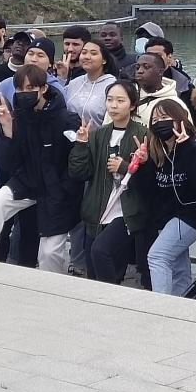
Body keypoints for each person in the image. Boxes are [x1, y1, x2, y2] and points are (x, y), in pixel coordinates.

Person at [0, 65, 81, 270]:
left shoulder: (66, 119)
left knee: (49, 254)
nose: (24, 94)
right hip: (26, 182)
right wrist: (7, 129)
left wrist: (66, 189)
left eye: (30, 88)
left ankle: (53, 290)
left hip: (56, 191)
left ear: (43, 89)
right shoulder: (18, 118)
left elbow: (77, 162)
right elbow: (7, 163)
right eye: (20, 89)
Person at [68, 81, 150, 284]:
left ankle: (109, 299)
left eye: (120, 101)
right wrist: (80, 145)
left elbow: (149, 180)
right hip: (97, 209)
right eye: (110, 100)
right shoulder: (98, 134)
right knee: (95, 270)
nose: (113, 105)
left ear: (132, 105)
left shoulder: (142, 134)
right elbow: (79, 173)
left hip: (127, 211)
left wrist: (126, 167)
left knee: (101, 252)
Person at [139, 100, 196, 295]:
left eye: (165, 118)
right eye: (155, 119)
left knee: (158, 256)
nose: (160, 123)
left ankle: (161, 308)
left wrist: (185, 149)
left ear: (180, 120)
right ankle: (183, 303)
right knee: (178, 266)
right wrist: (143, 165)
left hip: (193, 214)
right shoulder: (157, 150)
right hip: (168, 216)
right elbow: (149, 190)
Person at [0, 37, 67, 107]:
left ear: (50, 63)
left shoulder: (57, 89)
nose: (33, 59)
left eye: (40, 56)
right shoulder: (7, 84)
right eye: (30, 54)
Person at [64, 38, 118, 128]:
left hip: (98, 139)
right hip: (70, 137)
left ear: (104, 60)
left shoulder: (113, 86)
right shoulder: (74, 83)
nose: (87, 57)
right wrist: (62, 77)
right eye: (84, 53)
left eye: (93, 53)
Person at [133, 53, 188, 123]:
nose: (140, 71)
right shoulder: (129, 99)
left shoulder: (176, 104)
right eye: (137, 68)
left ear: (161, 71)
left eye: (146, 67)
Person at [144, 37, 193, 104]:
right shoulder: (134, 80)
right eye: (149, 55)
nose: (153, 59)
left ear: (169, 57)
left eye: (158, 55)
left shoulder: (184, 85)